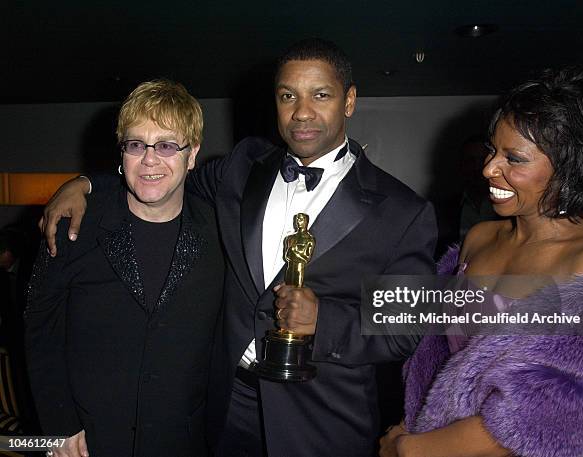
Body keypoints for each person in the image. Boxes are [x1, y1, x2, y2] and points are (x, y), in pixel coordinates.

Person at [39, 38, 437, 456]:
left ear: (349, 101)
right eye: (288, 96)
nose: (302, 111)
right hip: (224, 408)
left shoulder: (402, 210)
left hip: (321, 422)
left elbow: (406, 329)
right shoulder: (242, 167)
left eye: (320, 95)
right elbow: (161, 178)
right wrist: (85, 185)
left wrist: (324, 320)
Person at [380, 67, 583, 457]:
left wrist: (413, 450)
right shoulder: (479, 237)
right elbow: (436, 356)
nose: (489, 168)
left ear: (570, 169)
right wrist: (411, 422)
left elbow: (565, 413)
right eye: (492, 149)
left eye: (514, 158)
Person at [25, 80, 224, 457]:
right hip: (85, 441)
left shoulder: (219, 232)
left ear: (192, 153)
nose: (150, 159)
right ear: (123, 153)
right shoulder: (75, 226)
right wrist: (59, 426)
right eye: (136, 145)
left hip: (183, 440)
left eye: (166, 145)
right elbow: (40, 329)